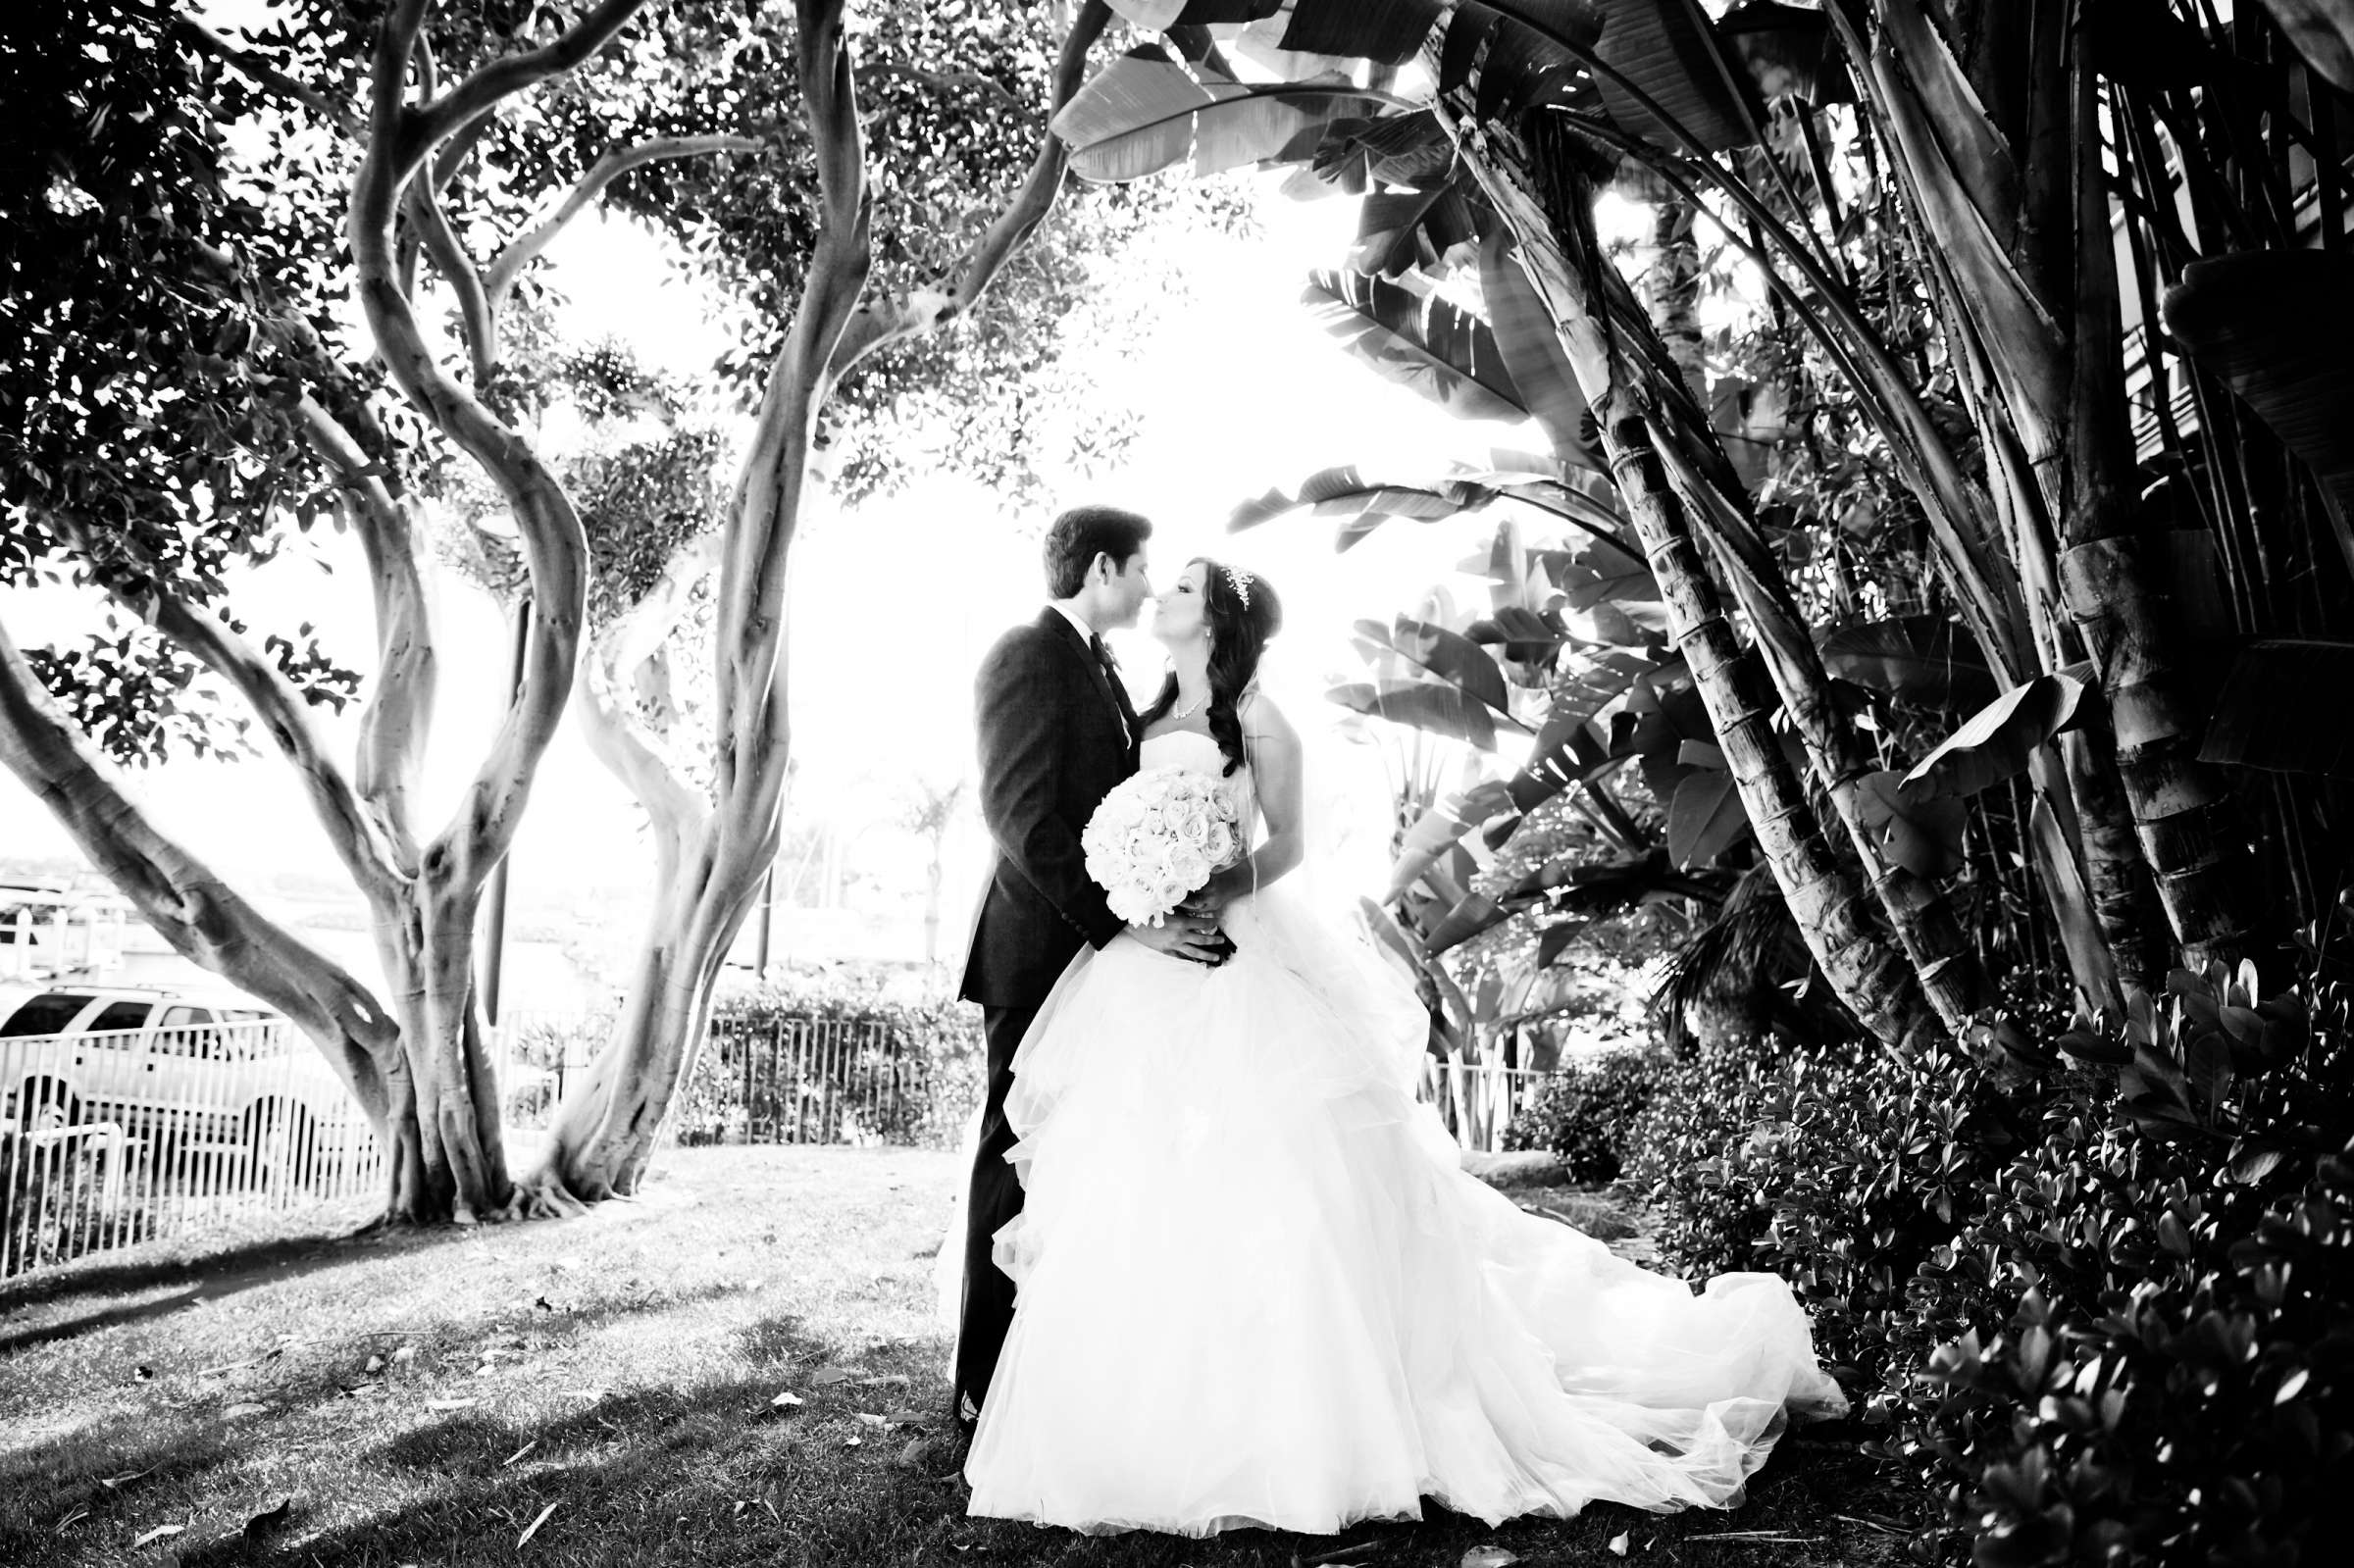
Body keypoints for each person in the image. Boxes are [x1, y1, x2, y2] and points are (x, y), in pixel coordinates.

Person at [961, 558, 1847, 1537]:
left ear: (1214, 621)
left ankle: (1311, 1419)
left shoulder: (1261, 721)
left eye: (1180, 587)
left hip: (1237, 950)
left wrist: (1210, 879)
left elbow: (1288, 844)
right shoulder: (1141, 712)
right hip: (1146, 964)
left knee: (1290, 1175)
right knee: (1143, 1173)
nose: (1159, 594)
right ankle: (1140, 1401)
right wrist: (1140, 886)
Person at [952, 506, 1229, 1442]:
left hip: (1088, 960)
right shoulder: (1024, 656)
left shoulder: (1102, 667)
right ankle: (983, 1378)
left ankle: (1058, 1362)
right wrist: (1128, 923)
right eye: (1143, 567)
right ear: (1102, 567)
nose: (1151, 586)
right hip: (1035, 955)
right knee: (1014, 1154)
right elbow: (1023, 821)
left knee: (1076, 1161)